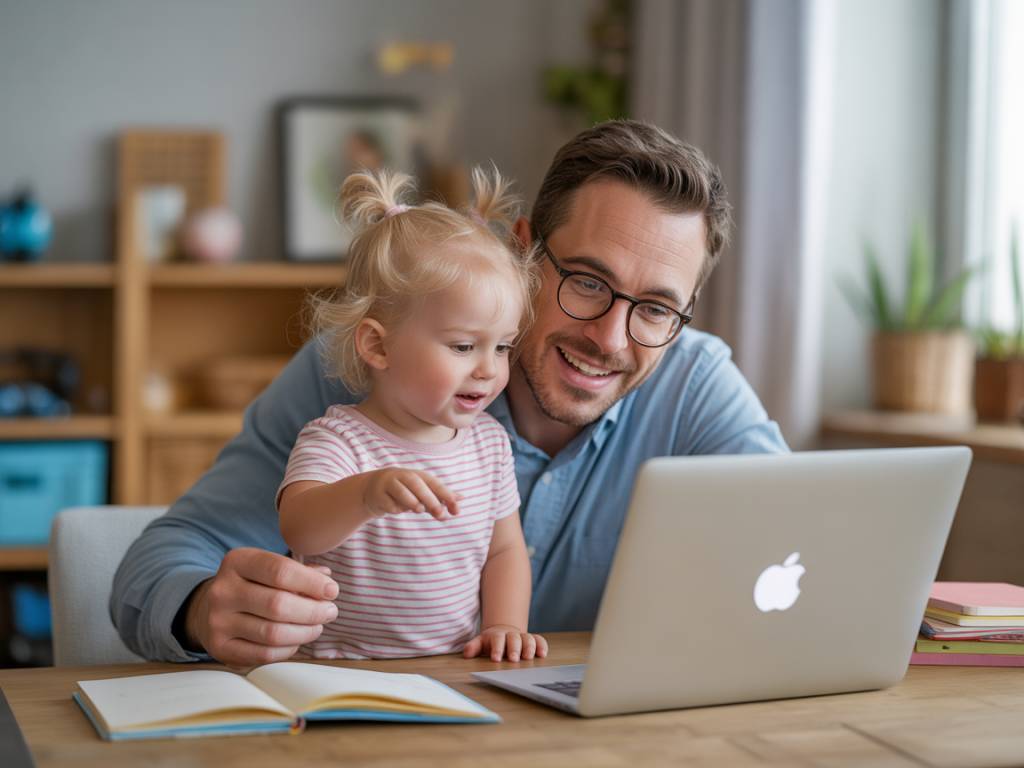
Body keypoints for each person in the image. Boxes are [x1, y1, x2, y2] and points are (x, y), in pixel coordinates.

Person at [112, 120, 789, 666]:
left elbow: (803, 552)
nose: (611, 338)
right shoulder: (363, 368)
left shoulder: (696, 386)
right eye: (586, 280)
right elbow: (162, 560)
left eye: (655, 309)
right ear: (524, 254)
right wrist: (203, 609)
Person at [278, 166, 545, 662]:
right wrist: (365, 494)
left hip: (454, 671)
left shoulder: (489, 444)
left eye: (504, 347)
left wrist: (505, 625)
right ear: (378, 345)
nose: (489, 370)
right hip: (342, 672)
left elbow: (505, 551)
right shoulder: (337, 439)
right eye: (464, 346)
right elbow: (299, 529)